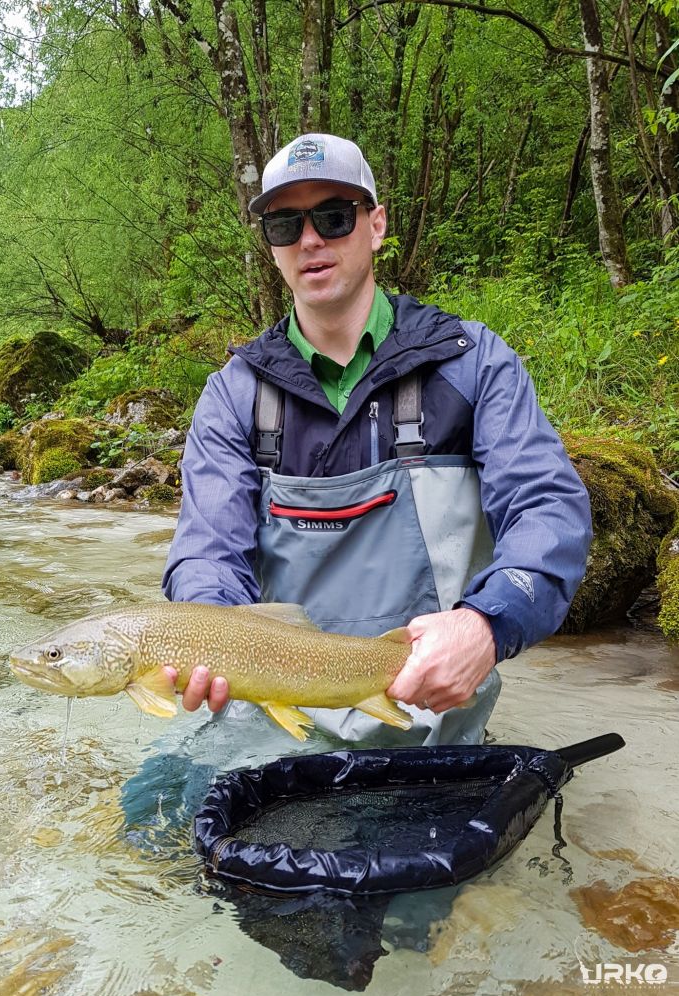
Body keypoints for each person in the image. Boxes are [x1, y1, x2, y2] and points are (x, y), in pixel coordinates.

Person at [161, 132, 592, 746]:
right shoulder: (234, 395)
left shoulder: (471, 365)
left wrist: (487, 625)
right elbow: (206, 552)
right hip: (270, 732)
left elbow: (547, 508)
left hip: (434, 726)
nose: (310, 239)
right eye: (285, 225)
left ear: (376, 224)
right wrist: (208, 634)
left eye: (334, 216)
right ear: (272, 249)